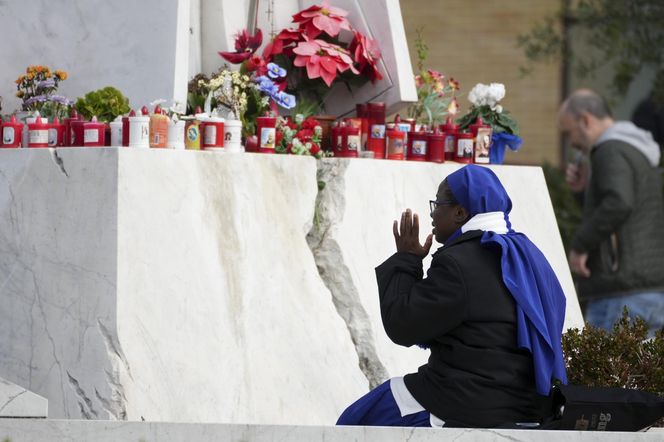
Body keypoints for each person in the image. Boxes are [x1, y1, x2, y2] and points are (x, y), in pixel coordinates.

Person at [336, 165, 568, 428]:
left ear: (460, 212)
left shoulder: (459, 261)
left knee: (357, 420)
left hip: (467, 402)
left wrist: (407, 260)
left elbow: (402, 326)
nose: (433, 213)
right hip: (529, 404)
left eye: (438, 204)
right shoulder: (531, 256)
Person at [559, 89, 664, 335]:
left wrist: (580, 245)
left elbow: (619, 202)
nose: (571, 142)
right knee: (641, 373)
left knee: (602, 370)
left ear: (585, 120)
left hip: (621, 292)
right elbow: (626, 206)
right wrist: (583, 191)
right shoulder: (632, 149)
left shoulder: (610, 150)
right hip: (647, 288)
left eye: (568, 132)